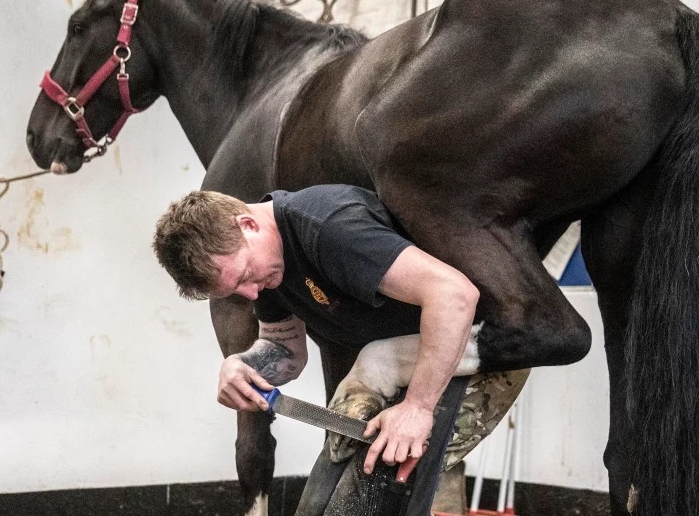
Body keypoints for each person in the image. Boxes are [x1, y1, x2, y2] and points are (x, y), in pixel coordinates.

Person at [151, 184, 480, 475]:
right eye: (237, 291)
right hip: (418, 357)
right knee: (342, 467)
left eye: (245, 276)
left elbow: (454, 295)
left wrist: (417, 409)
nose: (251, 293)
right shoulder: (268, 267)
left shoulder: (328, 226)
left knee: (379, 470)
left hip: (482, 338)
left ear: (247, 225)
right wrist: (240, 366)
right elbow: (286, 351)